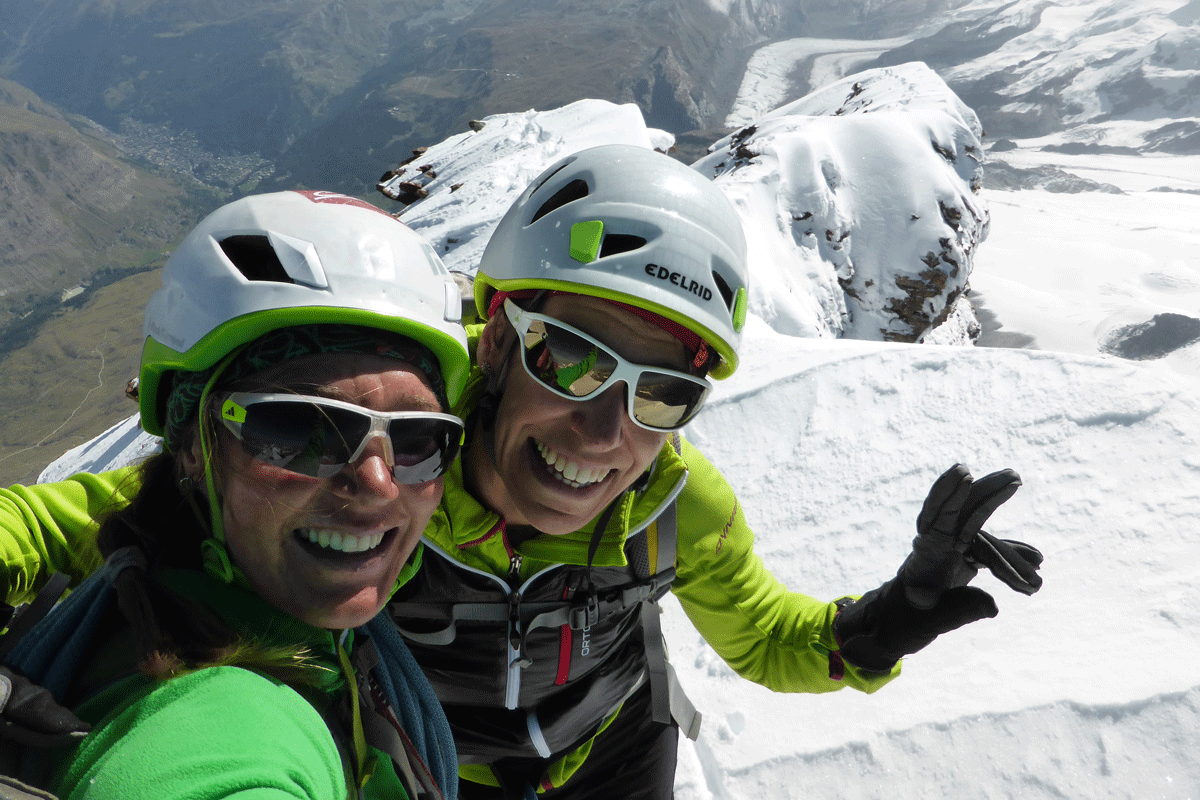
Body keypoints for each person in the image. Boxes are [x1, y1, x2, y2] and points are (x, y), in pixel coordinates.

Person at [2, 147, 1043, 800]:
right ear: (493, 336)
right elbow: (80, 520)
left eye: (662, 393)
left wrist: (887, 618)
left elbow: (772, 638)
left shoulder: (676, 508)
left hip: (614, 763)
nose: (605, 429)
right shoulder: (392, 452)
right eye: (575, 355)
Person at [0, 190, 472, 800]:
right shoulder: (230, 729)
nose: (380, 484)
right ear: (193, 445)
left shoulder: (166, 544)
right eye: (297, 428)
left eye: (419, 438)